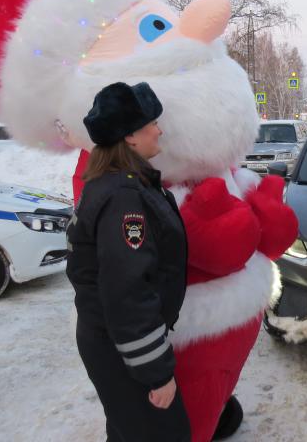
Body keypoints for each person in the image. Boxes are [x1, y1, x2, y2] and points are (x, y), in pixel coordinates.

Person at [66, 81, 190, 442]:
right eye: (152, 123)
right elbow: (127, 291)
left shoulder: (118, 183)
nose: (159, 130)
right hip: (121, 348)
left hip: (114, 343)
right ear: (131, 136)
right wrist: (156, 373)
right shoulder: (123, 196)